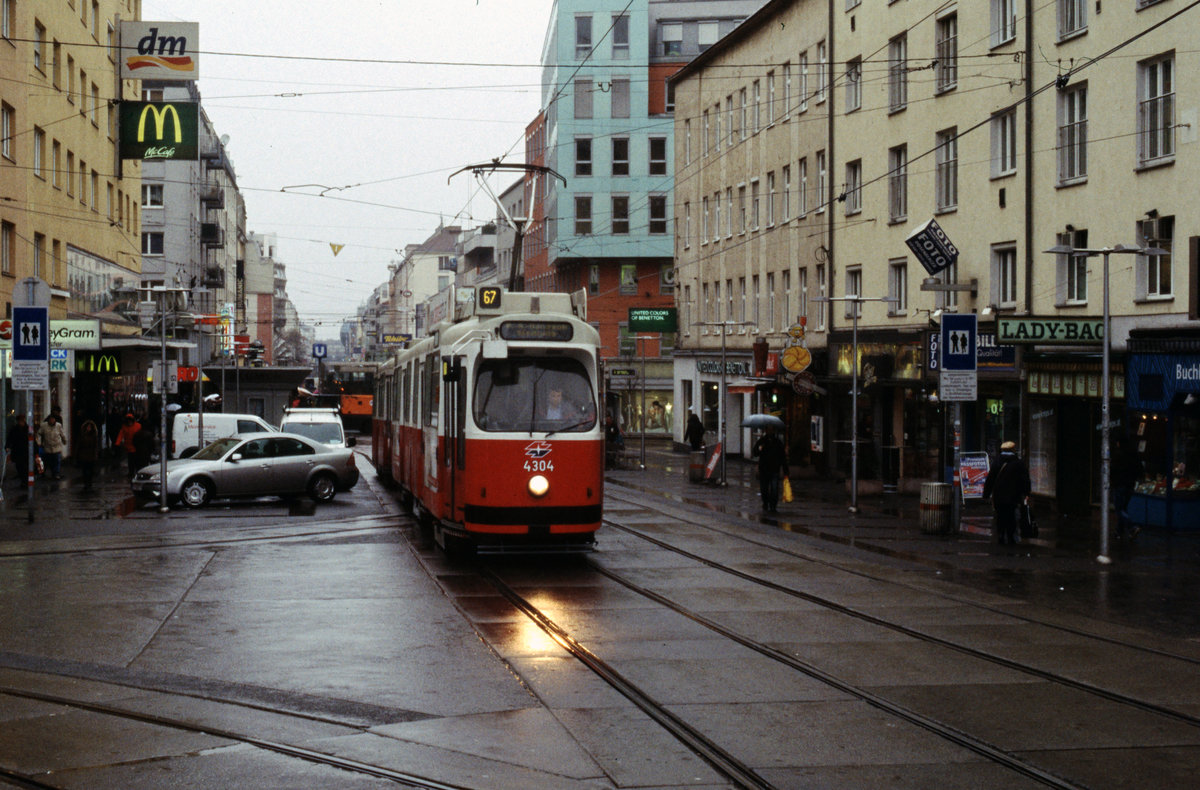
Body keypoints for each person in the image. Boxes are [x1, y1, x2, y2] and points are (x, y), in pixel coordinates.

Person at [982, 440, 1032, 545]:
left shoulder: (997, 462)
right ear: (1013, 450)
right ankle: (1010, 536)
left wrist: (986, 494)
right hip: (1014, 495)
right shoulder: (1019, 463)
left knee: (1000, 515)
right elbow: (1025, 479)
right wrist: (1027, 493)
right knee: (1011, 515)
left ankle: (1000, 535)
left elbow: (990, 479)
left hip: (999, 495)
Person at [752, 425, 789, 513]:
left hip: (774, 469)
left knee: (774, 489)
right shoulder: (762, 441)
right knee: (764, 489)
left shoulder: (777, 442)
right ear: (766, 430)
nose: (770, 431)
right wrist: (760, 449)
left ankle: (773, 505)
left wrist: (785, 469)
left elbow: (782, 456)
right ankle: (765, 502)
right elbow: (755, 453)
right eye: (768, 429)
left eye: (772, 430)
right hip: (764, 469)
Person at [1112, 435, 1144, 538]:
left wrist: (1112, 481)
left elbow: (1113, 470)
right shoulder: (1133, 455)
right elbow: (1140, 469)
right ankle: (1119, 531)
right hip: (1130, 485)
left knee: (1119, 509)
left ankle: (1132, 527)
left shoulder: (1119, 455)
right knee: (1123, 508)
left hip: (1120, 484)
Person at [37, 413, 67, 479]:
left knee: (56, 461)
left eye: (53, 419)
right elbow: (39, 434)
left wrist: (64, 441)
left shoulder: (58, 426)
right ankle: (42, 473)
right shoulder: (44, 426)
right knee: (45, 461)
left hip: (56, 447)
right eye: (50, 419)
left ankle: (56, 474)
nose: (52, 421)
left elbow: (62, 434)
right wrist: (39, 442)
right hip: (47, 447)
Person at [115, 414, 143, 479]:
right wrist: (117, 443)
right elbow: (120, 435)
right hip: (129, 447)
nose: (129, 422)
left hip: (136, 447)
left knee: (135, 461)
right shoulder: (125, 427)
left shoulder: (137, 426)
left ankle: (135, 472)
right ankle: (131, 472)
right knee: (131, 461)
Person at [76, 419, 101, 492]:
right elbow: (78, 445)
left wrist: (95, 455)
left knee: (90, 471)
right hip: (83, 455)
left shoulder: (94, 436)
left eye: (90, 427)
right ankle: (86, 484)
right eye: (88, 427)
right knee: (84, 471)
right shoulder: (82, 435)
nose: (89, 428)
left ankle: (89, 483)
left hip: (91, 456)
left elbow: (95, 446)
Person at [6, 415, 30, 485]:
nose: (21, 422)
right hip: (17, 450)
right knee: (19, 466)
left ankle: (25, 481)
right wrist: (7, 446)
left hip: (26, 450)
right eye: (20, 421)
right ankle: (23, 480)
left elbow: (32, 440)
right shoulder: (14, 429)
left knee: (25, 467)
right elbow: (10, 438)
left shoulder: (28, 428)